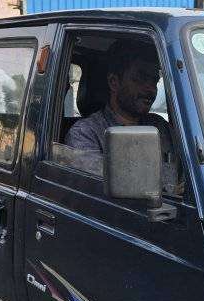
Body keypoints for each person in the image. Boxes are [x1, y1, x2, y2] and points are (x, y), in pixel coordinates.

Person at [66, 40, 178, 194]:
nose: (150, 89)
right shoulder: (86, 134)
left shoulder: (161, 127)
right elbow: (102, 198)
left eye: (154, 80)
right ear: (114, 82)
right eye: (140, 79)